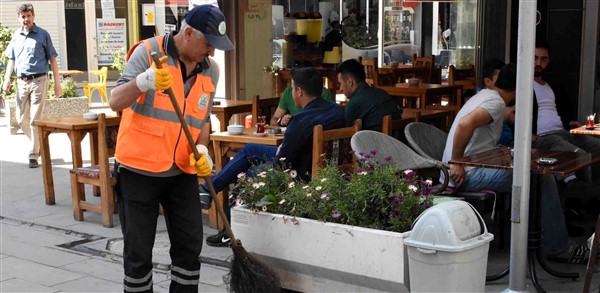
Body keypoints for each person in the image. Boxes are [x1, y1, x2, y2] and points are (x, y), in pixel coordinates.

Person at [108, 5, 233, 292]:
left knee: (190, 249)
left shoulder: (211, 71)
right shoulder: (148, 52)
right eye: (209, 44)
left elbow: (201, 120)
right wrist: (143, 81)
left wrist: (202, 150)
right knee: (138, 255)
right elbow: (116, 101)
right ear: (188, 33)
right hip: (139, 170)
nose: (213, 53)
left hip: (181, 171)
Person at [443, 63, 588, 263]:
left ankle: (543, 238)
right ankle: (558, 248)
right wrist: (456, 161)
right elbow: (465, 124)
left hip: (471, 167)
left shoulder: (488, 96)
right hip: (465, 174)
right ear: (520, 89)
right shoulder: (495, 103)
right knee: (540, 178)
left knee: (536, 175)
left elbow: (479, 134)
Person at [201, 67, 345, 247]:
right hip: (313, 163)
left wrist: (281, 152)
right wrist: (284, 149)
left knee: (246, 173)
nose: (292, 93)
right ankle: (208, 190)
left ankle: (230, 231)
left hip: (298, 172)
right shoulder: (336, 111)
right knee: (249, 149)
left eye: (292, 88)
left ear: (299, 91)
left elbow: (280, 166)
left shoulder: (300, 121)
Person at [2, 3, 61, 168]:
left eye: (28, 16)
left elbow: (53, 60)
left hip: (39, 81)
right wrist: (6, 79)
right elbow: (11, 59)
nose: (26, 19)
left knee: (35, 119)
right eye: (23, 17)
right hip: (21, 82)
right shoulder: (16, 36)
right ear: (19, 18)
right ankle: (37, 145)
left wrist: (57, 84)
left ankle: (33, 154)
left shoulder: (43, 35)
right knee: (22, 120)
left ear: (33, 16)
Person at [531, 42, 600, 182]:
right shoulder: (519, 86)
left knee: (597, 147)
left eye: (543, 59)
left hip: (563, 132)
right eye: (535, 58)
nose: (538, 62)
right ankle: (581, 196)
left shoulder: (553, 87)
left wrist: (571, 123)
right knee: (580, 156)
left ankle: (595, 191)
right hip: (543, 137)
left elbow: (562, 112)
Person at [337, 59, 401, 131]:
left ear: (350, 81)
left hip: (376, 141)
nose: (340, 88)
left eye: (340, 83)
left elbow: (347, 134)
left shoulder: (354, 103)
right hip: (398, 140)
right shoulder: (382, 93)